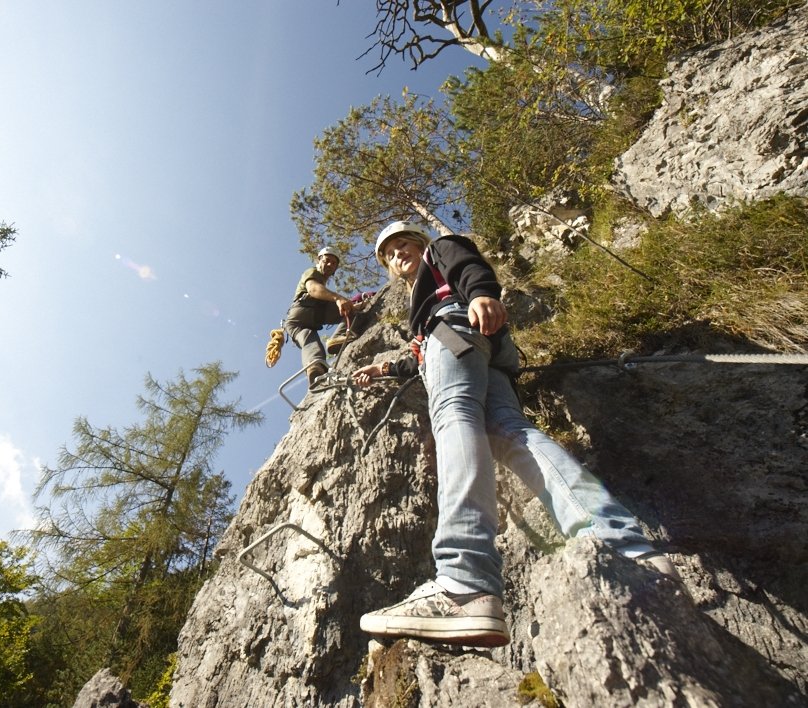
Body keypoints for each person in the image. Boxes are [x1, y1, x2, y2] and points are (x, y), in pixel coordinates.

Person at [353, 220, 680, 647]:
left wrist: (481, 293)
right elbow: (422, 355)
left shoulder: (439, 252)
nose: (398, 254)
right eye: (390, 254)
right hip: (478, 347)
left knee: (454, 418)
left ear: (419, 244)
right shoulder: (425, 293)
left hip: (454, 332)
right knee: (511, 433)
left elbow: (465, 264)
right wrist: (384, 368)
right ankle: (621, 542)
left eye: (403, 244)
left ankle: (463, 580)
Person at [283, 247, 357, 389]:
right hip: (305, 309)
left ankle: (316, 371)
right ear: (319, 260)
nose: (330, 264)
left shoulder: (321, 280)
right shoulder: (312, 272)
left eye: (334, 263)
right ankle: (338, 337)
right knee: (351, 311)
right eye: (327, 260)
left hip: (297, 322)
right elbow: (313, 289)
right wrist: (338, 298)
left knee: (310, 343)